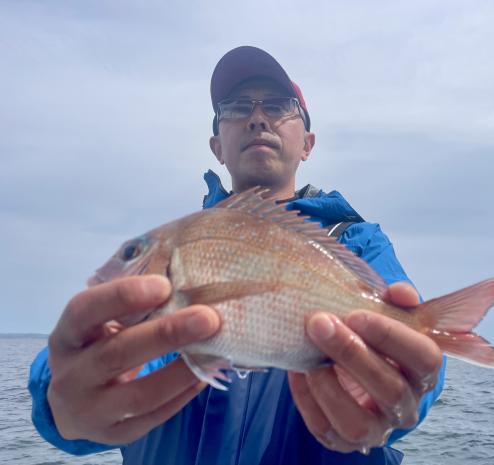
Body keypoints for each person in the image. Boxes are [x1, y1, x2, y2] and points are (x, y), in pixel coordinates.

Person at [29, 46, 446, 465]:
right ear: (217, 147)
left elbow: (417, 356)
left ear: (307, 144)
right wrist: (64, 395)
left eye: (278, 106)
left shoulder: (358, 242)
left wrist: (406, 386)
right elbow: (114, 355)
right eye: (236, 107)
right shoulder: (188, 247)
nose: (257, 118)